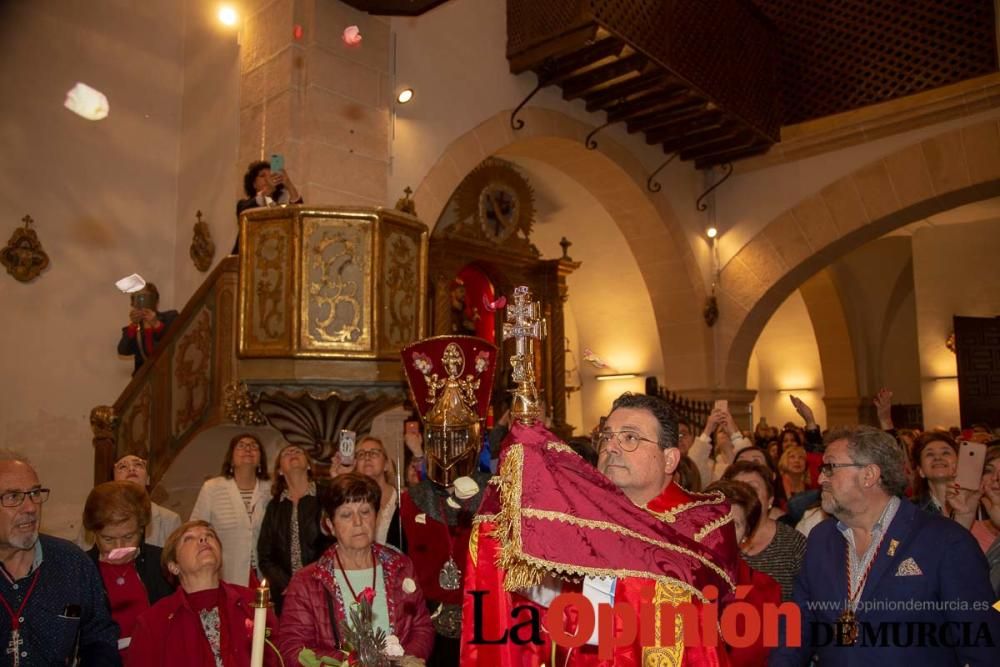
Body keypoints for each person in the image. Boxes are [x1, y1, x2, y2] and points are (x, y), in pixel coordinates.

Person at [462, 391, 739, 665]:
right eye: (606, 436)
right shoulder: (574, 519)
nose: (611, 447)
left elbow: (689, 600)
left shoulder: (705, 522)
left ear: (669, 459)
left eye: (630, 437)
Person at [770, 426, 1000, 666]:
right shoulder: (820, 539)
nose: (820, 478)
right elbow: (796, 625)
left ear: (869, 475)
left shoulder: (945, 541)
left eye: (830, 468)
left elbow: (982, 647)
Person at [276, 473, 434, 664]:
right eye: (346, 514)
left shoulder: (401, 565)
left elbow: (422, 627)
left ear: (376, 517)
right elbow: (293, 647)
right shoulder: (307, 581)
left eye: (365, 511)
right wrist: (354, 663)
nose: (358, 522)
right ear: (330, 525)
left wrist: (405, 660)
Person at [0, 450, 119, 664]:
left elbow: (100, 636)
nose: (30, 507)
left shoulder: (72, 562)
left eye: (35, 494)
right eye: (13, 496)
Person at [128, 521, 280, 666]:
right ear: (174, 566)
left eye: (210, 535)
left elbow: (277, 659)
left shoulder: (253, 603)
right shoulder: (153, 623)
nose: (203, 538)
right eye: (188, 538)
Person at [83, 481, 174, 660]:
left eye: (128, 537)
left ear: (142, 529)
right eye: (108, 539)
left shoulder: (162, 562)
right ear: (94, 533)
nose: (119, 547)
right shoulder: (82, 568)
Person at [704, 478, 782, 667]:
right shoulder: (673, 582)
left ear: (745, 536)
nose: (723, 532)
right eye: (716, 520)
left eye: (734, 525)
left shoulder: (765, 591)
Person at [189, 433, 270, 586]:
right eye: (241, 445)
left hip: (263, 577)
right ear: (231, 459)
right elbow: (196, 529)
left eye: (254, 446)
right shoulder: (212, 488)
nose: (247, 449)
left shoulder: (272, 490)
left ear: (261, 460)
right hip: (225, 574)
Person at [257, 444, 329, 613]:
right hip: (287, 594)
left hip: (323, 587)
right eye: (286, 453)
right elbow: (265, 556)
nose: (293, 453)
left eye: (298, 451)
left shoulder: (325, 495)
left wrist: (313, 581)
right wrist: (288, 585)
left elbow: (334, 543)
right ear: (280, 470)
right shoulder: (274, 507)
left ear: (309, 465)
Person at [721, 460, 805, 600]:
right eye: (737, 488)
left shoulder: (792, 543)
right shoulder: (716, 540)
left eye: (753, 488)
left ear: (770, 500)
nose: (745, 495)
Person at [331, 436, 404, 550]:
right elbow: (326, 530)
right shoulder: (351, 500)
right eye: (361, 454)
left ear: (386, 465)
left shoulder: (403, 498)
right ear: (355, 465)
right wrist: (339, 481)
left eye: (374, 453)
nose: (367, 457)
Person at [111, 453, 181, 546]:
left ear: (148, 478)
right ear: (113, 480)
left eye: (138, 465)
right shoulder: (100, 517)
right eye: (123, 466)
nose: (131, 469)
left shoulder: (170, 520)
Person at [233, 159, 302, 253]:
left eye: (270, 176)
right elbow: (245, 212)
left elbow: (298, 214)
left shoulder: (277, 206)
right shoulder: (244, 204)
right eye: (262, 176)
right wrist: (267, 191)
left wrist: (288, 184)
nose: (267, 179)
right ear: (254, 184)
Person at [117, 282, 178, 375]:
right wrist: (133, 324)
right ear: (133, 303)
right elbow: (123, 350)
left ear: (156, 301)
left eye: (146, 298)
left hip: (167, 376)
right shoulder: (132, 329)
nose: (143, 303)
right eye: (139, 298)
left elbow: (175, 342)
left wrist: (156, 324)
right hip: (143, 381)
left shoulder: (170, 317)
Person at [688, 404, 750, 485]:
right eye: (721, 431)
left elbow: (749, 463)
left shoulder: (742, 456)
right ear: (716, 442)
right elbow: (693, 466)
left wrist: (734, 432)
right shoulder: (710, 466)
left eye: (727, 429)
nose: (725, 431)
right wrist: (708, 429)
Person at [910, 430, 959, 515]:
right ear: (921, 470)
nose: (938, 457)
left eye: (945, 453)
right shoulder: (909, 509)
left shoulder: (975, 505)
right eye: (930, 454)